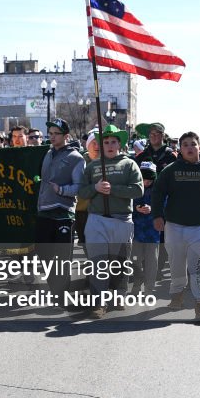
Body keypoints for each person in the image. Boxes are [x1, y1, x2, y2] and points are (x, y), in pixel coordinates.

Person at [151, 132, 200, 322]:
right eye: (185, 144)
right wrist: (157, 215)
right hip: (175, 227)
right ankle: (177, 294)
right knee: (176, 264)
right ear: (180, 148)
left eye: (193, 144)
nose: (189, 147)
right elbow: (158, 193)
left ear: (199, 148)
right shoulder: (170, 170)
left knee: (199, 267)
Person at [78, 125, 143, 318]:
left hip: (122, 219)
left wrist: (113, 189)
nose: (109, 145)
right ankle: (99, 302)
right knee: (98, 263)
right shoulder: (92, 166)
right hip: (97, 219)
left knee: (120, 262)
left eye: (113, 141)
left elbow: (138, 190)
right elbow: (82, 192)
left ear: (119, 144)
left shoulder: (129, 164)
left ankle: (118, 295)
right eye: (105, 142)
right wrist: (96, 187)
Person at [36, 118, 85, 293]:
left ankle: (61, 290)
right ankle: (55, 286)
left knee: (62, 256)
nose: (53, 137)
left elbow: (79, 187)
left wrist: (62, 190)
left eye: (57, 133)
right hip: (44, 211)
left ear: (66, 136)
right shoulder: (48, 154)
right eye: (50, 134)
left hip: (63, 212)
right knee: (44, 253)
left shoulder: (76, 158)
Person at [131, 162, 161, 294]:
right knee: (135, 259)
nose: (146, 181)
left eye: (150, 179)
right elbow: (125, 204)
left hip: (153, 231)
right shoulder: (133, 187)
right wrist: (135, 208)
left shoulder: (159, 189)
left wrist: (152, 208)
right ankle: (137, 284)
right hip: (136, 231)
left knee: (151, 262)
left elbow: (165, 206)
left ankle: (149, 288)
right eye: (144, 178)